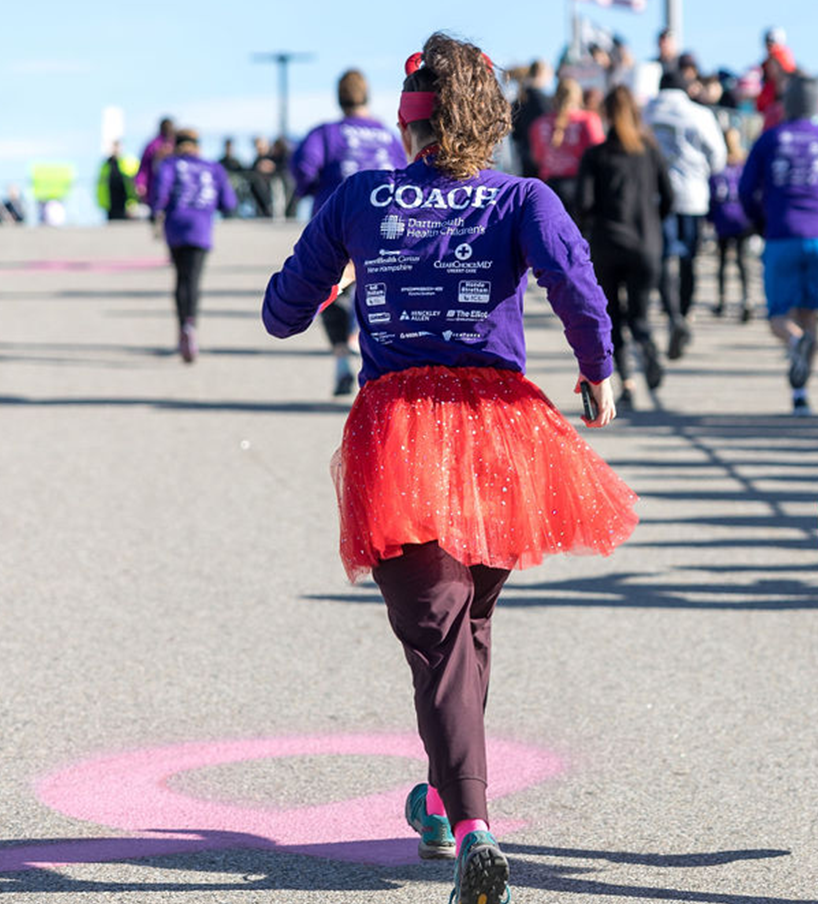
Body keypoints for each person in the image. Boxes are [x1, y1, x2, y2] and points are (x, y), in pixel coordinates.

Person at [261, 33, 638, 904]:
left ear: (409, 123)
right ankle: (439, 801)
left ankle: (471, 826)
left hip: (402, 434)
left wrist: (338, 277)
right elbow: (576, 284)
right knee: (462, 630)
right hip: (504, 435)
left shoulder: (360, 197)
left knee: (440, 635)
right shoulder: (523, 197)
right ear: (492, 121)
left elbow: (283, 312)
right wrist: (597, 368)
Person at [740, 75, 818, 416]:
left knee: (778, 317)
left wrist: (760, 220)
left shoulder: (769, 139)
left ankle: (795, 343)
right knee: (810, 314)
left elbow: (744, 189)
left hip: (781, 233)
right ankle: (801, 393)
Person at [293, 68, 408, 396]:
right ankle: (360, 339)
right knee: (373, 286)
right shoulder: (388, 135)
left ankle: (342, 356)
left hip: (335, 220)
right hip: (385, 222)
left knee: (330, 289)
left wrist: (304, 191)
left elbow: (304, 167)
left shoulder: (326, 134)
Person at [577, 85, 674, 409]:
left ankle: (627, 383)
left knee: (613, 318)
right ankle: (648, 347)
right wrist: (652, 222)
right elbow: (669, 198)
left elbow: (583, 204)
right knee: (640, 313)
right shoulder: (650, 151)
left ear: (605, 115)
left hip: (607, 244)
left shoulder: (596, 156)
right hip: (645, 243)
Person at [645, 70, 727, 358]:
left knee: (664, 256)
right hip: (693, 195)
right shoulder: (700, 114)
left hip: (656, 195)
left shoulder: (646, 111)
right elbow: (718, 155)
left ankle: (672, 314)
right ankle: (686, 311)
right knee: (689, 258)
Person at [152, 129, 238, 363]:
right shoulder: (212, 168)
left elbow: (159, 193)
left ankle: (183, 327)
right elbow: (229, 202)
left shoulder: (170, 164)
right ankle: (191, 325)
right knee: (194, 279)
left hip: (176, 226)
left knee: (180, 278)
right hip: (201, 228)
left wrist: (154, 214)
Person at [529, 78, 605, 213]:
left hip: (548, 188)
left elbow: (537, 158)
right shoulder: (588, 120)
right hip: (580, 188)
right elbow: (599, 156)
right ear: (578, 97)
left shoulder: (539, 123)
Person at [708, 127, 753, 321]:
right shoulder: (744, 167)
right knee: (742, 262)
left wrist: (710, 219)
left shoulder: (718, 169)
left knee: (723, 262)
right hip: (742, 219)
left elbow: (712, 196)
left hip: (723, 219)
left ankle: (722, 300)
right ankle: (746, 300)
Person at [510, 59, 553, 179]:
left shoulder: (519, 98)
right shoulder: (544, 100)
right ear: (542, 74)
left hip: (524, 152)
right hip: (542, 154)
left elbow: (515, 131)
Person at [136, 117, 175, 208]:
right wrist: (140, 183)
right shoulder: (153, 145)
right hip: (155, 188)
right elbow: (144, 167)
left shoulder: (175, 144)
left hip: (171, 191)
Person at [97, 140, 139, 221]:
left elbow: (135, 184)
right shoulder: (105, 165)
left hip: (126, 206)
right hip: (111, 206)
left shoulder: (129, 162)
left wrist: (134, 202)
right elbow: (101, 187)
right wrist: (103, 204)